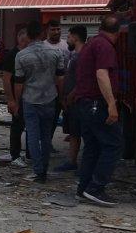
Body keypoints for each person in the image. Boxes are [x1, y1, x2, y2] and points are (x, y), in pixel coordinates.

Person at [72, 15, 123, 206]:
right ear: (117, 32)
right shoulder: (105, 47)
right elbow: (102, 74)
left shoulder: (92, 44)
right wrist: (111, 103)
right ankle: (96, 188)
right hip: (96, 103)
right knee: (114, 143)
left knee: (92, 147)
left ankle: (84, 189)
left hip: (85, 103)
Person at [13, 21, 64, 182]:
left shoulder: (21, 55)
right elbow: (60, 78)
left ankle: (38, 170)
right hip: (50, 97)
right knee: (47, 135)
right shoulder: (56, 53)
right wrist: (61, 98)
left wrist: (16, 101)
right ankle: (45, 167)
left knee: (32, 135)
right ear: (43, 35)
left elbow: (19, 83)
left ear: (27, 36)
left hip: (30, 98)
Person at [54, 25, 87, 173]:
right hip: (71, 100)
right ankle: (72, 160)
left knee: (80, 131)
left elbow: (82, 79)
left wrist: (72, 95)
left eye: (68, 37)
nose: (67, 40)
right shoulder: (74, 55)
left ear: (75, 37)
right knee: (73, 132)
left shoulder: (82, 56)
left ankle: (80, 163)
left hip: (77, 100)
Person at [0, 29, 30, 167]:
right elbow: (6, 79)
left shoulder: (29, 53)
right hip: (17, 96)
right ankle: (15, 154)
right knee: (17, 126)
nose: (25, 43)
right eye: (23, 41)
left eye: (27, 41)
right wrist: (11, 99)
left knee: (31, 127)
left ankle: (30, 154)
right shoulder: (12, 55)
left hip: (30, 96)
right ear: (19, 39)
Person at [44, 19, 71, 142]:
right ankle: (46, 141)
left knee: (58, 116)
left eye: (58, 29)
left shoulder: (66, 46)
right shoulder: (43, 46)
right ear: (47, 31)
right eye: (53, 29)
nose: (56, 32)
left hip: (64, 87)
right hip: (48, 88)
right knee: (48, 117)